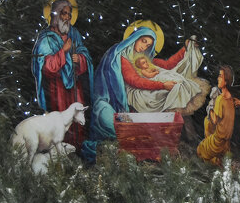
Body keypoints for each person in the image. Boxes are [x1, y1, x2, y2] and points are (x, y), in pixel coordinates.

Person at [85, 24, 207, 160]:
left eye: (148, 45)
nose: (144, 47)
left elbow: (167, 65)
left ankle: (183, 139)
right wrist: (162, 85)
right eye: (143, 41)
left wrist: (185, 49)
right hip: (135, 92)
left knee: (176, 86)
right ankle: (167, 140)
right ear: (135, 38)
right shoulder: (125, 58)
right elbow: (134, 81)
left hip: (149, 88)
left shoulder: (144, 58)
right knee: (169, 92)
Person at [32, 0, 92, 150]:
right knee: (61, 123)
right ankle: (61, 151)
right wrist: (63, 52)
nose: (67, 18)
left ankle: (78, 150)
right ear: (55, 15)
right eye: (64, 13)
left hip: (75, 86)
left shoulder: (74, 34)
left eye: (69, 14)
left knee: (77, 120)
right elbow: (47, 67)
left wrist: (80, 59)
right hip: (57, 88)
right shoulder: (47, 39)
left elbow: (85, 55)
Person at [196, 65, 236, 165]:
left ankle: (214, 161)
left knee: (199, 151)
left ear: (226, 81)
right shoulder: (230, 99)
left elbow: (214, 120)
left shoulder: (220, 99)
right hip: (227, 142)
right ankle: (218, 160)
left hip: (218, 142)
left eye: (220, 76)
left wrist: (210, 107)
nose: (218, 78)